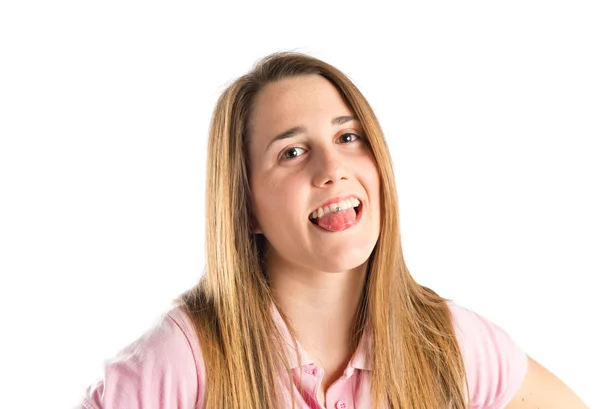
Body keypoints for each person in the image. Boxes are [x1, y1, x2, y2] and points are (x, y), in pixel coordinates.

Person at [77, 52, 588, 409]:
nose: (332, 168)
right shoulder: (182, 358)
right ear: (245, 207)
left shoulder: (450, 345)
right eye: (291, 152)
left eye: (348, 136)